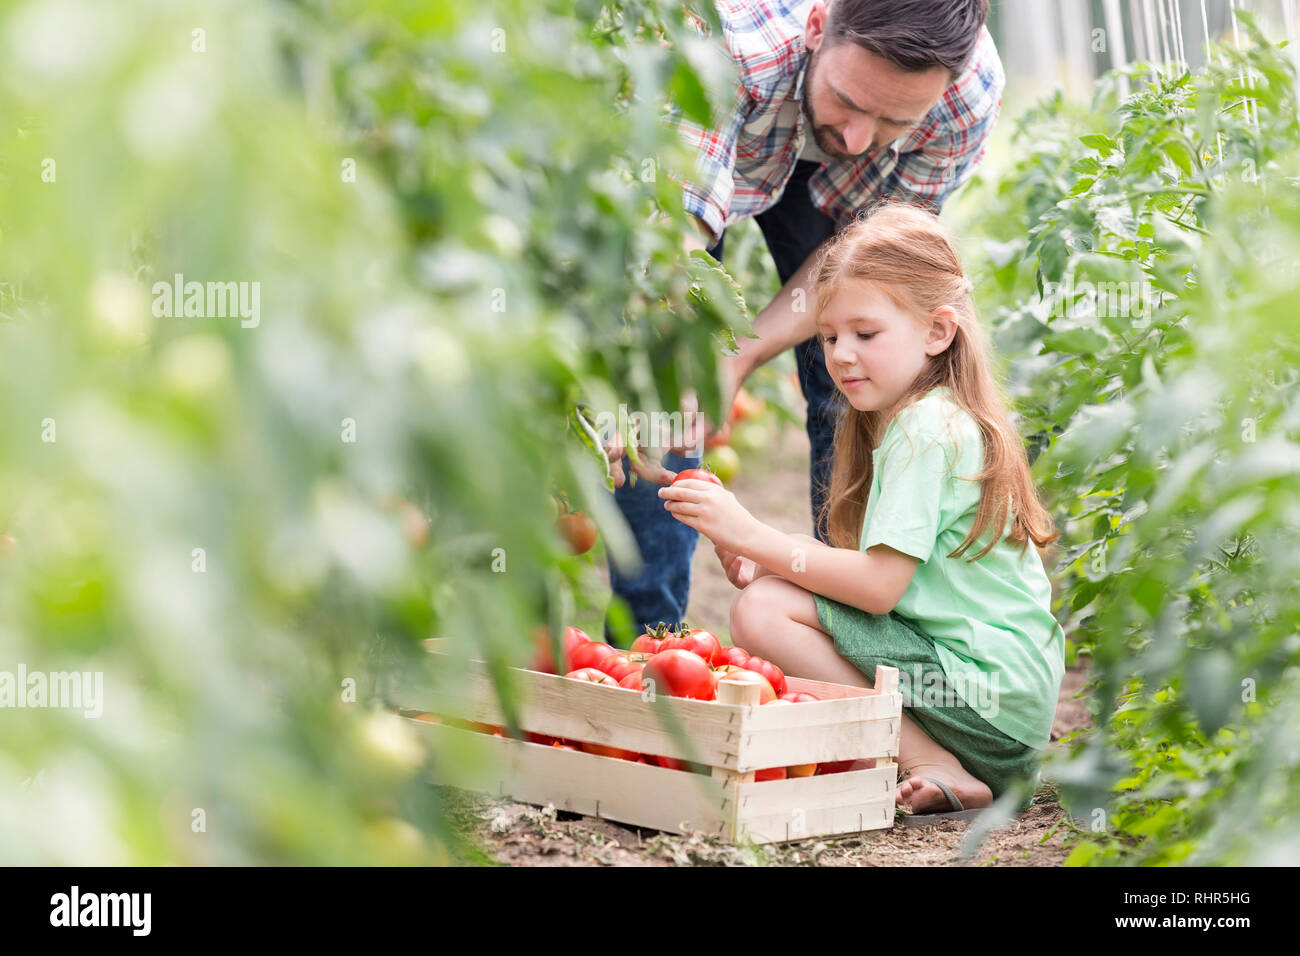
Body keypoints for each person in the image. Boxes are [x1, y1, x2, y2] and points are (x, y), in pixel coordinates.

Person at [605, 0, 1006, 641]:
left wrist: (740, 354)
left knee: (861, 372)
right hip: (751, 118)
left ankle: (842, 633)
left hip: (847, 206)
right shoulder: (729, 46)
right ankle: (647, 640)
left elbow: (869, 265)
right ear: (818, 28)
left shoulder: (963, 100)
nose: (853, 139)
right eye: (847, 99)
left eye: (892, 120)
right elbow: (671, 237)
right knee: (664, 385)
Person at [657, 203, 1065, 817]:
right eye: (828, 337)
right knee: (774, 593)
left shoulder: (924, 429)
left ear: (937, 331)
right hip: (1005, 712)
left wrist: (753, 533)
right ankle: (943, 757)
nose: (841, 354)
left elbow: (876, 590)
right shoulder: (941, 416)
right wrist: (775, 560)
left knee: (762, 613)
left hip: (984, 709)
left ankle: (929, 757)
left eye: (864, 334)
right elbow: (895, 585)